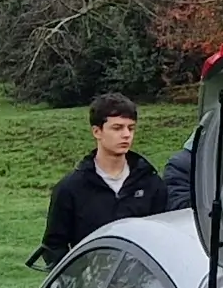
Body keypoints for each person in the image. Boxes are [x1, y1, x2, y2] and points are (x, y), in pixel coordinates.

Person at [36, 91, 166, 268]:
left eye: (131, 128)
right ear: (97, 131)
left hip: (140, 287)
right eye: (117, 128)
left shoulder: (151, 183)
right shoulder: (71, 188)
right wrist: (78, 278)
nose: (126, 135)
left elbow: (163, 240)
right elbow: (53, 246)